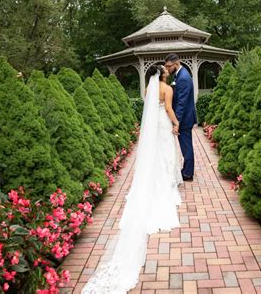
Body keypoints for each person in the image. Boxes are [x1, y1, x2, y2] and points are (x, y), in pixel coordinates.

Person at [81, 65, 183, 294]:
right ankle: (165, 183)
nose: (167, 71)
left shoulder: (149, 88)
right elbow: (167, 109)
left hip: (151, 127)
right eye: (165, 70)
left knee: (154, 154)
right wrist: (176, 123)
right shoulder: (167, 89)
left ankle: (156, 179)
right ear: (163, 74)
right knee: (166, 153)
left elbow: (150, 108)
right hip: (162, 124)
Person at [164, 53, 197, 181]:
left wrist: (176, 122)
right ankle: (187, 170)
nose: (167, 69)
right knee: (185, 146)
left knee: (186, 147)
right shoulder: (179, 75)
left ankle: (188, 174)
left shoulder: (183, 77)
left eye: (169, 66)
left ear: (176, 63)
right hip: (185, 118)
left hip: (185, 119)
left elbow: (181, 104)